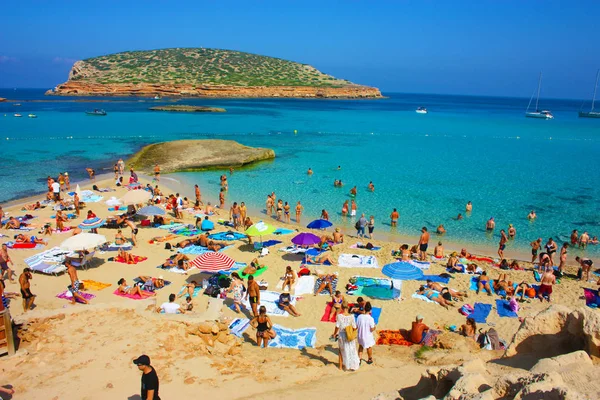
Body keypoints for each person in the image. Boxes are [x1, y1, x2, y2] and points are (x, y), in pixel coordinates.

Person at [332, 302, 360, 371]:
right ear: (347, 307)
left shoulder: (339, 316)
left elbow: (337, 326)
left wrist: (334, 333)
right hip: (349, 334)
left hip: (342, 334)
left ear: (341, 308)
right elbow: (354, 327)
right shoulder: (352, 316)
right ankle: (352, 365)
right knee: (351, 349)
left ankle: (341, 367)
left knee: (341, 351)